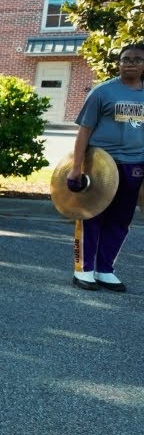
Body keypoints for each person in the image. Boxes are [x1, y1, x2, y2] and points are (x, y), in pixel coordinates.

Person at [66, 43, 144, 292]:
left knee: (121, 219)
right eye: (125, 59)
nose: (130, 63)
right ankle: (84, 269)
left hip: (134, 165)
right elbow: (84, 131)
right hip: (101, 163)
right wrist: (76, 167)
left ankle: (105, 269)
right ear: (118, 63)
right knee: (92, 216)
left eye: (136, 59)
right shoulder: (102, 92)